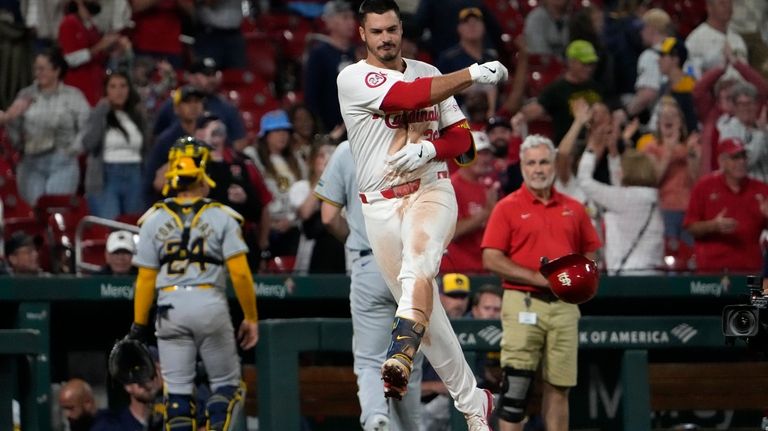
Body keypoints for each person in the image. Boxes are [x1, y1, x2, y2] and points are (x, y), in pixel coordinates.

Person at [336, 1, 508, 428]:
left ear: (401, 28)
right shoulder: (353, 77)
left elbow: (464, 143)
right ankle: (474, 403)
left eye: (391, 29)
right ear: (363, 34)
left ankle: (399, 355)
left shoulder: (428, 71)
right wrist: (471, 74)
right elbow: (406, 97)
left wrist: (430, 150)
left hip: (430, 190)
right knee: (428, 321)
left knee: (420, 266)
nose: (386, 38)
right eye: (376, 32)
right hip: (379, 206)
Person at [127, 137, 259, 430]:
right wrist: (250, 317)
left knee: (176, 395)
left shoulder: (153, 219)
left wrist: (138, 325)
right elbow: (239, 274)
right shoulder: (221, 216)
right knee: (227, 387)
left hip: (168, 307)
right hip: (208, 302)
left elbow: (146, 278)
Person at [481, 135, 601, 431]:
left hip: (564, 307)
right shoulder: (507, 207)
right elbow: (492, 259)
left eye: (544, 161)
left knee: (559, 387)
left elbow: (591, 252)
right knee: (515, 390)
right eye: (531, 162)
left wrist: (580, 278)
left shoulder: (574, 208)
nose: (538, 169)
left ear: (553, 165)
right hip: (522, 300)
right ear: (521, 166)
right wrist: (540, 278)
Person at [315, 140, 423, 431]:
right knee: (408, 361)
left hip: (369, 264)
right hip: (413, 267)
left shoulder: (347, 149)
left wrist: (355, 243)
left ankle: (377, 415)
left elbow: (327, 217)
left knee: (370, 359)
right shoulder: (418, 143)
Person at [4, 48, 91, 207]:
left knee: (55, 210)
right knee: (34, 213)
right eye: (36, 68)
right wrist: (15, 132)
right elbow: (13, 127)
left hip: (62, 162)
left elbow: (87, 126)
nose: (38, 73)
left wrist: (74, 149)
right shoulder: (25, 94)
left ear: (56, 70)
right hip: (31, 163)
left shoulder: (73, 96)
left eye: (42, 68)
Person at [684, 137, 768, 273]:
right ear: (722, 161)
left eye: (743, 157)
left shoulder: (761, 190)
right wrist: (713, 226)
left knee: (757, 294)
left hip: (750, 270)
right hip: (711, 271)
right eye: (735, 157)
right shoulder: (704, 187)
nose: (741, 162)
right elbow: (690, 227)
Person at [82, 70, 148, 220]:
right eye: (113, 86)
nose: (119, 91)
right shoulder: (98, 114)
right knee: (112, 228)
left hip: (135, 175)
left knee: (134, 226)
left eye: (123, 86)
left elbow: (146, 149)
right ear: (106, 90)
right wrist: (101, 111)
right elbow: (89, 143)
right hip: (105, 177)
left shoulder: (138, 115)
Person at [153, 58, 248, 150]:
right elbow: (156, 138)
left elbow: (239, 141)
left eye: (214, 74)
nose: (212, 79)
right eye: (206, 74)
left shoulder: (227, 107)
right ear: (191, 77)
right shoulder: (173, 103)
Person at [420, 273, 472, 431]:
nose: (458, 302)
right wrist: (437, 386)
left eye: (462, 297)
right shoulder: (422, 326)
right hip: (427, 404)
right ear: (439, 296)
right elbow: (399, 386)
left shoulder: (473, 324)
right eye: (452, 296)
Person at [441, 131, 497, 273]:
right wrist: (486, 213)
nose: (484, 159)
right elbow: (450, 232)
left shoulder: (490, 186)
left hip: (485, 269)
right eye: (478, 153)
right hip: (459, 270)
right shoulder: (451, 187)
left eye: (486, 153)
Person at [58, 0, 129, 105]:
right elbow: (70, 59)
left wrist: (115, 49)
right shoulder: (69, 23)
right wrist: (100, 46)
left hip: (96, 89)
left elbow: (99, 55)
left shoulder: (91, 25)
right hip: (78, 91)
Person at [304, 0, 358, 134]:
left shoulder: (356, 52)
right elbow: (311, 95)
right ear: (330, 22)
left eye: (352, 17)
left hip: (356, 127)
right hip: (330, 128)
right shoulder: (319, 54)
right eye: (345, 17)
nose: (351, 22)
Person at [145, 85, 205, 205]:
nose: (193, 106)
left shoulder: (209, 132)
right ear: (176, 108)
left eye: (197, 101)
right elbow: (152, 183)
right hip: (173, 202)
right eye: (187, 102)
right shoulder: (166, 140)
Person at [624, 8, 672, 120]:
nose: (641, 33)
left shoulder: (650, 56)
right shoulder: (680, 51)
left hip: (661, 120)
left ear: (651, 29)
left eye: (643, 28)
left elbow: (648, 94)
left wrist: (626, 113)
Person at [717, 81, 768, 182]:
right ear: (735, 107)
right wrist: (760, 134)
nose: (746, 108)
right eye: (741, 104)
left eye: (749, 103)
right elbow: (746, 163)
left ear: (756, 105)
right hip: (743, 189)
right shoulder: (728, 130)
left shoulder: (764, 128)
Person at [685, 0, 748, 79]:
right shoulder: (695, 40)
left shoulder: (737, 39)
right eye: (722, 3)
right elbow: (690, 73)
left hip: (742, 89)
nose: (727, 7)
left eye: (729, 2)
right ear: (709, 7)